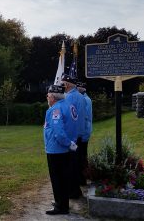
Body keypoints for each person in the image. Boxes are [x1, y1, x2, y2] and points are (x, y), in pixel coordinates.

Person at [44, 85, 77, 215]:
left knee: (58, 179)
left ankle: (61, 206)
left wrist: (68, 143)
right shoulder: (69, 105)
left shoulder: (55, 109)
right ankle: (62, 202)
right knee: (64, 177)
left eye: (48, 95)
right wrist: (72, 143)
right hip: (66, 149)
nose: (47, 97)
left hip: (57, 149)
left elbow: (59, 133)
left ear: (52, 97)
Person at [61, 73, 85, 199]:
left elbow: (68, 118)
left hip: (72, 136)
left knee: (70, 165)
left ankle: (73, 191)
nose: (61, 85)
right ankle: (76, 190)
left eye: (62, 83)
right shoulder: (80, 96)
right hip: (79, 134)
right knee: (75, 164)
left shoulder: (69, 98)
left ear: (67, 84)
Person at [77, 81, 93, 185]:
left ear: (82, 88)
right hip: (85, 131)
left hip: (84, 132)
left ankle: (83, 179)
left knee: (82, 156)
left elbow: (84, 117)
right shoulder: (85, 98)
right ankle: (83, 178)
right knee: (82, 155)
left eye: (78, 87)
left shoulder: (85, 99)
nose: (77, 89)